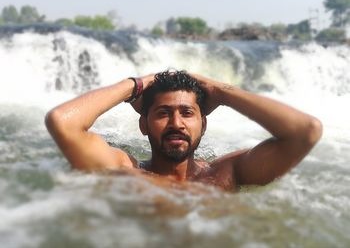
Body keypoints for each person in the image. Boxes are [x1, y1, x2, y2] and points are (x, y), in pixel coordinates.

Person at [45, 70, 322, 191]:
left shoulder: (226, 173)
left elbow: (306, 131)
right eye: (163, 113)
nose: (176, 123)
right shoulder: (125, 172)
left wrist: (222, 92)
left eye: (187, 113)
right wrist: (137, 85)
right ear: (143, 124)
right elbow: (62, 121)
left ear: (203, 124)